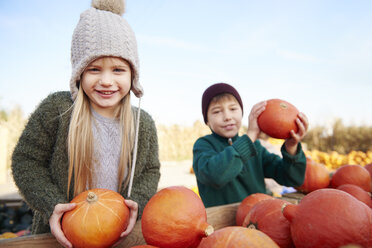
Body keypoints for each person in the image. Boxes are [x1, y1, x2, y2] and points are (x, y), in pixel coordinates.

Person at [11, 0, 160, 247]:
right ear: (79, 73)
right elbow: (26, 161)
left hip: (118, 236)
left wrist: (138, 201)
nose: (106, 80)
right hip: (57, 238)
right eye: (94, 69)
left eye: (118, 70)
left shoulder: (142, 124)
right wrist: (54, 205)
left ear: (133, 74)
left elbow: (150, 171)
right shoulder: (58, 109)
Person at [192, 82, 308, 208]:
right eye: (217, 112)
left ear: (241, 113)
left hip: (257, 219)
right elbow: (215, 176)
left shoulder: (256, 147)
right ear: (207, 121)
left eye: (233, 109)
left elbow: (292, 179)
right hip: (223, 224)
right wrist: (251, 135)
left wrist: (291, 148)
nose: (227, 117)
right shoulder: (203, 145)